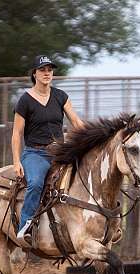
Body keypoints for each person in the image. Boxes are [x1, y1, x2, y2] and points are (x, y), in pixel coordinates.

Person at [11, 55, 84, 247]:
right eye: (42, 70)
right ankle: (25, 225)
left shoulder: (61, 96)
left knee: (83, 176)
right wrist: (16, 161)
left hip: (59, 153)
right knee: (35, 183)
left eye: (50, 70)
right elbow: (17, 134)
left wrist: (89, 138)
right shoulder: (25, 101)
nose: (47, 73)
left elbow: (76, 122)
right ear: (34, 74)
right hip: (35, 153)